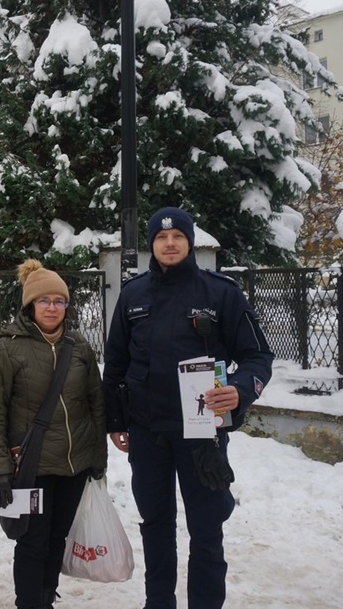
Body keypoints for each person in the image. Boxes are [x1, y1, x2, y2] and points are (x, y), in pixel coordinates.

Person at [102, 207, 274, 609]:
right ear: (151, 245)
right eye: (161, 238)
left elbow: (258, 356)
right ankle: (158, 603)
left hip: (203, 435)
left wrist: (240, 389)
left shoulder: (221, 293)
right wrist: (115, 420)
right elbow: (116, 364)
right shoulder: (133, 295)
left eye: (178, 236)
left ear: (190, 241)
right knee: (156, 527)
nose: (170, 243)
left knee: (207, 529)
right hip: (148, 433)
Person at [0, 259, 107, 609]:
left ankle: (45, 599)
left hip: (74, 465)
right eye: (44, 301)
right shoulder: (7, 347)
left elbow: (96, 405)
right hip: (31, 466)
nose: (52, 308)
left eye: (59, 301)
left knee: (57, 539)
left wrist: (98, 458)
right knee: (32, 543)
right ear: (30, 305)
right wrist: (0, 469)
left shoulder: (79, 346)